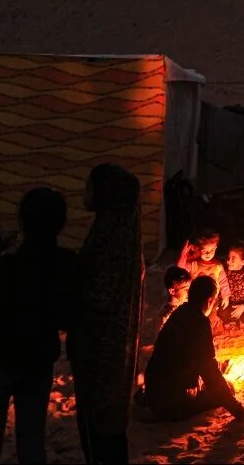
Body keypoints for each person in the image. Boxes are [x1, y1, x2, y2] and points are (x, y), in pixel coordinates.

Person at [0, 188, 78, 464]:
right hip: (35, 359)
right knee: (31, 438)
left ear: (22, 222)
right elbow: (66, 316)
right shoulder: (64, 262)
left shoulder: (4, 264)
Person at [69, 164, 144, 464]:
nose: (85, 193)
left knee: (99, 428)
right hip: (114, 349)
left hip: (99, 348)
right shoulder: (121, 235)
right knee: (109, 428)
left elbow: (97, 296)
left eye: (90, 187)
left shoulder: (108, 243)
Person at [140, 276, 244, 422]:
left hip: (154, 390)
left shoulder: (179, 312)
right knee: (227, 387)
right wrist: (240, 412)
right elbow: (210, 373)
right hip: (171, 402)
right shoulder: (199, 322)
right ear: (210, 300)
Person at [177, 229, 230, 310]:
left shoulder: (218, 266)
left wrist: (226, 296)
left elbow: (223, 281)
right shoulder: (194, 264)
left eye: (211, 250)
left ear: (215, 248)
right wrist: (183, 255)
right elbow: (180, 268)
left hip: (211, 301)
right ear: (198, 249)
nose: (208, 253)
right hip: (194, 300)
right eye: (204, 250)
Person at [157, 266, 192, 334]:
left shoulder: (185, 305)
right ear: (172, 291)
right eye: (186, 290)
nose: (189, 292)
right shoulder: (167, 315)